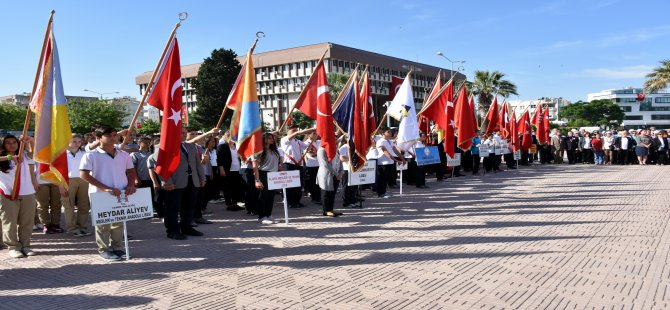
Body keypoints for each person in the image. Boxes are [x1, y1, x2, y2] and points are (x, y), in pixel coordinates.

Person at [79, 125, 137, 261]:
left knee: (119, 222)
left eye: (115, 135)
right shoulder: (90, 155)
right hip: (100, 194)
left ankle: (117, 247)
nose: (114, 137)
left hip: (121, 193)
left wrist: (130, 185)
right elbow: (83, 174)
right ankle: (104, 249)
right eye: (109, 135)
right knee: (103, 223)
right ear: (98, 138)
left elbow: (131, 171)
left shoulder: (124, 154)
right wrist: (104, 188)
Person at [0, 135, 38, 258]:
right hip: (8, 194)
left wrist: (31, 140)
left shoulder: (25, 155)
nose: (12, 145)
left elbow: (35, 153)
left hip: (27, 193)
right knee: (9, 222)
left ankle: (25, 245)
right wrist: (10, 157)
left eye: (14, 142)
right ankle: (13, 247)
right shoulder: (3, 158)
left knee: (27, 222)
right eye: (8, 143)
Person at [62, 134, 91, 237]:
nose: (77, 144)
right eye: (74, 141)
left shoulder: (84, 153)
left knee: (84, 205)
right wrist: (61, 185)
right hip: (68, 180)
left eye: (79, 142)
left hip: (83, 180)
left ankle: (82, 227)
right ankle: (71, 228)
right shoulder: (62, 154)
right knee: (68, 205)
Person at [253, 132, 282, 224]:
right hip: (263, 173)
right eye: (269, 138)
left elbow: (279, 162)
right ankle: (262, 216)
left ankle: (269, 215)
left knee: (271, 196)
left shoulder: (274, 150)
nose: (272, 139)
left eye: (272, 138)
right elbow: (255, 166)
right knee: (263, 196)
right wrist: (257, 180)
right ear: (264, 139)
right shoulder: (259, 151)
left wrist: (280, 166)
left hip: (274, 174)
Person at [280, 126, 312, 208]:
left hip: (298, 165)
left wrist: (311, 135)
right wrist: (303, 131)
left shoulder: (297, 141)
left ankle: (297, 201)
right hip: (289, 164)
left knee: (299, 184)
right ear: (287, 130)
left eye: (296, 130)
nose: (295, 132)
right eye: (293, 130)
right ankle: (290, 202)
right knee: (290, 185)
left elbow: (306, 146)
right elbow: (296, 134)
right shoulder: (284, 140)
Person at [217, 131, 245, 211]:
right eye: (229, 136)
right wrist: (221, 170)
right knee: (227, 187)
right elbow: (220, 160)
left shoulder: (236, 146)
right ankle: (229, 204)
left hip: (237, 169)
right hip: (227, 170)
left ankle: (235, 203)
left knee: (236, 187)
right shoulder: (222, 146)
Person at [35, 163, 65, 234]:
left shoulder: (56, 152)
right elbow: (32, 167)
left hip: (56, 180)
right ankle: (46, 225)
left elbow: (61, 166)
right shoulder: (35, 152)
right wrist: (34, 182)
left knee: (56, 204)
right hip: (41, 181)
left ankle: (55, 224)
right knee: (42, 205)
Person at [376, 128, 405, 198]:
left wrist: (402, 159)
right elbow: (386, 153)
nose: (390, 133)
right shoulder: (380, 141)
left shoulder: (390, 141)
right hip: (383, 163)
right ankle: (380, 193)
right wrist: (396, 160)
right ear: (383, 134)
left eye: (390, 132)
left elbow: (395, 151)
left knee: (386, 178)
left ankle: (384, 191)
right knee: (382, 178)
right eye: (388, 132)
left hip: (390, 162)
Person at [317, 144, 343, 217]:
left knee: (332, 193)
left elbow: (339, 161)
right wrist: (335, 173)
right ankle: (326, 211)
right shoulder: (322, 150)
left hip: (336, 174)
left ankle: (331, 209)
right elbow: (325, 164)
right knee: (326, 193)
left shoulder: (335, 149)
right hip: (327, 174)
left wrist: (341, 171)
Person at [303, 132, 322, 205]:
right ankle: (315, 198)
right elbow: (311, 155)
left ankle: (319, 197)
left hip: (319, 165)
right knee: (313, 184)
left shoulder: (318, 142)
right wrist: (322, 153)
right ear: (308, 135)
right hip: (312, 166)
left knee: (319, 183)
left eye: (316, 133)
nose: (316, 135)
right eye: (313, 133)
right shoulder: (306, 143)